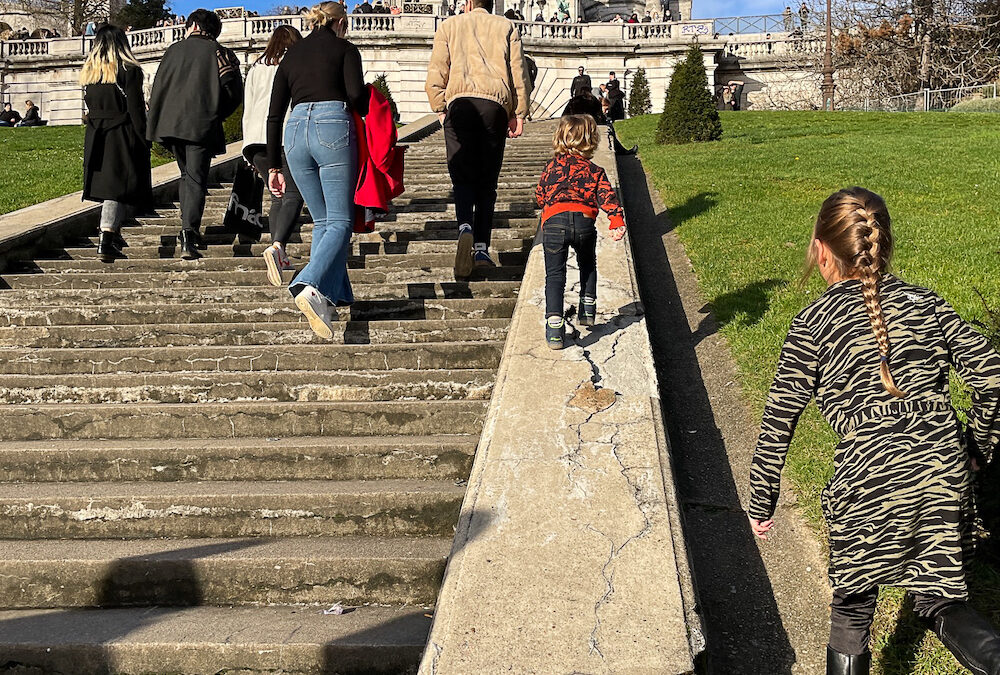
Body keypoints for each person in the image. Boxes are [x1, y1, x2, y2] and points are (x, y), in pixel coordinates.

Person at [747, 186, 1000, 675]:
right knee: (940, 600)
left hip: (869, 474)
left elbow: (778, 421)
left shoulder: (811, 322)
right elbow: (993, 376)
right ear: (884, 243)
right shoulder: (929, 304)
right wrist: (976, 448)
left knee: (852, 610)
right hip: (940, 469)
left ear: (820, 249)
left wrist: (761, 502)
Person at [266, 1, 368, 339]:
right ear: (340, 23)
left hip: (294, 132)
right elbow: (355, 95)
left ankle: (330, 297)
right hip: (331, 126)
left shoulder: (291, 55)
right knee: (340, 219)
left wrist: (272, 166)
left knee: (323, 221)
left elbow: (274, 113)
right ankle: (308, 283)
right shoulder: (345, 49)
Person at [425, 0, 530, 277]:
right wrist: (518, 112)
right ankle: (482, 248)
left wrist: (439, 106)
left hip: (460, 103)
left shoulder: (450, 25)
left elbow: (437, 70)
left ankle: (465, 228)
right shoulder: (506, 26)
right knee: (487, 182)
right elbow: (518, 72)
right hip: (494, 105)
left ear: (469, 3)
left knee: (462, 177)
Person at [146, 8, 243, 260]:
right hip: (201, 123)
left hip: (171, 124)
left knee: (186, 175)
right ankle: (189, 232)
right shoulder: (219, 52)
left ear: (193, 26)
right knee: (196, 178)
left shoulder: (172, 51)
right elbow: (233, 90)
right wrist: (217, 112)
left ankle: (187, 227)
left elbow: (159, 88)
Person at [534, 115, 625, 349]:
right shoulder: (594, 170)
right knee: (587, 264)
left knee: (554, 274)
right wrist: (616, 220)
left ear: (559, 139)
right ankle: (587, 308)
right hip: (584, 223)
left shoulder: (551, 167)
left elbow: (539, 196)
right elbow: (607, 196)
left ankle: (554, 327)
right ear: (591, 140)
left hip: (554, 224)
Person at [80, 25, 152, 262]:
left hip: (95, 134)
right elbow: (136, 109)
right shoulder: (129, 70)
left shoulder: (90, 74)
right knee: (115, 187)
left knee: (111, 186)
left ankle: (115, 233)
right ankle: (107, 237)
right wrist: (145, 137)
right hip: (120, 133)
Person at [242, 24, 305, 286]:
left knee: (276, 195)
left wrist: (247, 151)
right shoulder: (295, 64)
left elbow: (248, 104)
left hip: (255, 140)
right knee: (293, 194)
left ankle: (278, 250)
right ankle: (278, 246)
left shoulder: (256, 67)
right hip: (282, 135)